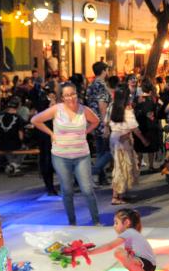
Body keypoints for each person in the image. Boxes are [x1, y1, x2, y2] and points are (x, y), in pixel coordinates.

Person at [31, 82, 102, 226]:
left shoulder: (84, 110)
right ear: (62, 97)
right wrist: (51, 133)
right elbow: (35, 120)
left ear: (77, 94)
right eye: (67, 95)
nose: (71, 98)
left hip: (81, 154)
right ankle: (72, 222)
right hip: (61, 156)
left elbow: (96, 121)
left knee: (87, 189)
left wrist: (86, 132)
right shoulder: (57, 109)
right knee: (67, 190)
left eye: (73, 94)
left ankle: (96, 221)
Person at [88, 208, 157, 271]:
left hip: (147, 265)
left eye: (116, 223)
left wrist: (89, 252)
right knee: (121, 252)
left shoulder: (129, 232)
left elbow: (109, 246)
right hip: (147, 264)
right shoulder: (132, 233)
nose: (114, 226)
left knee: (120, 253)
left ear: (126, 223)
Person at [109, 86, 145, 206]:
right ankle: (115, 196)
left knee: (119, 166)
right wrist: (144, 140)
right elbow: (134, 127)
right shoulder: (127, 109)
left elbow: (106, 122)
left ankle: (120, 193)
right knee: (122, 168)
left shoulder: (112, 106)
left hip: (114, 137)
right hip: (123, 140)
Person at [86, 61, 113, 186]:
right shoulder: (101, 86)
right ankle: (92, 171)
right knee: (110, 151)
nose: (108, 72)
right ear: (103, 71)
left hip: (93, 121)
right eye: (107, 70)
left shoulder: (91, 85)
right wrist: (105, 124)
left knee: (101, 151)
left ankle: (101, 178)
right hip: (102, 121)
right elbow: (103, 106)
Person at [35, 79, 58, 195]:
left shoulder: (43, 101)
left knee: (47, 159)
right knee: (48, 159)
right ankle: (50, 187)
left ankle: (50, 186)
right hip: (48, 134)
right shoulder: (46, 102)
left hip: (46, 134)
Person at [0, 96, 26, 176]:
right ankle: (14, 165)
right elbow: (20, 135)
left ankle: (12, 166)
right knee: (24, 147)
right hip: (14, 143)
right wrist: (22, 141)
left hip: (1, 143)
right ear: (18, 106)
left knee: (6, 146)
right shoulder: (18, 118)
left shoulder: (0, 117)